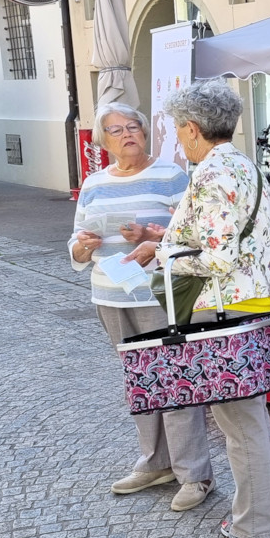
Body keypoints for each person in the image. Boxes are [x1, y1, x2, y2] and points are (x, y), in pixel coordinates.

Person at [129, 79, 270, 538]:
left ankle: (254, 533)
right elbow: (225, 238)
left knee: (241, 428)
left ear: (193, 128)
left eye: (178, 130)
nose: (177, 138)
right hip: (247, 303)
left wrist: (161, 252)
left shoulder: (212, 172)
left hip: (229, 309)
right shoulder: (242, 165)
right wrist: (171, 236)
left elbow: (217, 257)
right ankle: (257, 521)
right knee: (247, 423)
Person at [69, 102, 215, 512]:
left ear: (146, 133)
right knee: (140, 380)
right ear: (103, 140)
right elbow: (76, 240)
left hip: (160, 293)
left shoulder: (171, 175)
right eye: (116, 130)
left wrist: (154, 236)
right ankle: (156, 462)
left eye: (133, 126)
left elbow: (194, 233)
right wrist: (81, 247)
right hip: (110, 294)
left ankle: (195, 474)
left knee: (174, 379)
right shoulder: (94, 182)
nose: (127, 134)